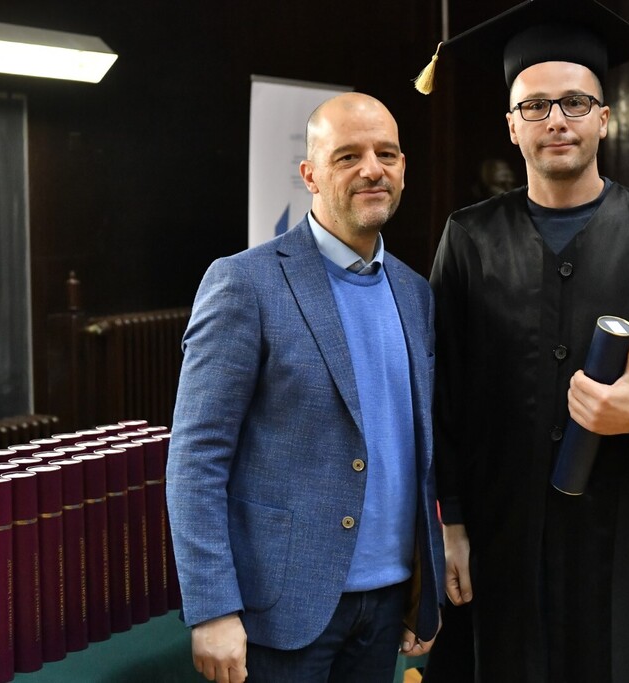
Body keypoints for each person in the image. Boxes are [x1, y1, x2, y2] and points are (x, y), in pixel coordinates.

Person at [417, 0, 629, 681]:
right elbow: (442, 393)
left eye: (574, 102)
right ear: (512, 125)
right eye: (535, 106)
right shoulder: (470, 240)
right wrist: (452, 524)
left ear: (604, 117)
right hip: (503, 533)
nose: (556, 119)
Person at [166, 92, 445, 683]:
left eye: (386, 154)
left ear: (403, 168)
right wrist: (212, 608)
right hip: (281, 607)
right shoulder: (245, 283)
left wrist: (426, 584)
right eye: (348, 156)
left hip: (389, 601)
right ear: (310, 174)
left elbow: (415, 451)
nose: (372, 169)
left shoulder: (415, 292)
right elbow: (196, 458)